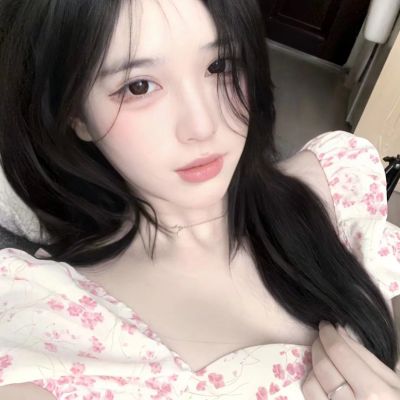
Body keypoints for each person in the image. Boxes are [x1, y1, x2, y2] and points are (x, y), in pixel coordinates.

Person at [0, 0, 399, 399]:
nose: (203, 125)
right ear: (77, 115)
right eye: (139, 86)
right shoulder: (51, 324)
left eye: (220, 65)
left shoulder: (335, 184)